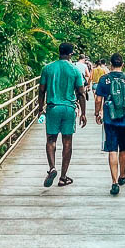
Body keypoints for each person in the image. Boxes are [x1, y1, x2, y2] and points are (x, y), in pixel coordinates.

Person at [37, 42, 87, 187]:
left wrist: (40, 108)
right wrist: (83, 113)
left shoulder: (47, 68)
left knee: (51, 139)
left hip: (53, 108)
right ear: (71, 54)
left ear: (59, 52)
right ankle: (63, 177)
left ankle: (52, 168)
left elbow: (41, 90)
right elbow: (81, 93)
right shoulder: (75, 70)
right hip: (68, 109)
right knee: (67, 142)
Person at [94, 52, 125, 196]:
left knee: (112, 149)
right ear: (122, 64)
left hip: (109, 119)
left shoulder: (104, 79)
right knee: (123, 148)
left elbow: (98, 100)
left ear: (110, 65)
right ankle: (122, 176)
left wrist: (97, 113)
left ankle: (113, 182)